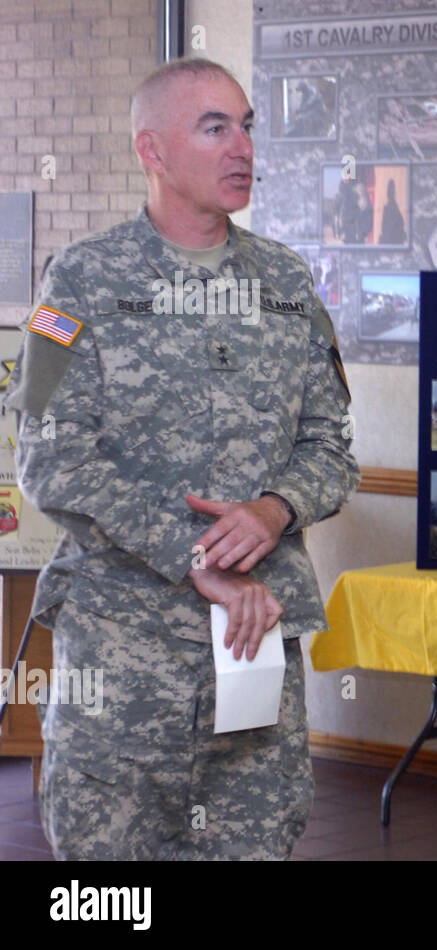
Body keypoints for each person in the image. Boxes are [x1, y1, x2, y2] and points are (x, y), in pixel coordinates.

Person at [6, 58, 360, 860]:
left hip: (254, 650)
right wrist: (194, 554)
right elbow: (50, 457)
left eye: (247, 126)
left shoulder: (287, 283)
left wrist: (275, 509)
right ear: (153, 151)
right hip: (123, 660)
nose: (243, 147)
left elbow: (331, 447)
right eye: (215, 127)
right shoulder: (79, 282)